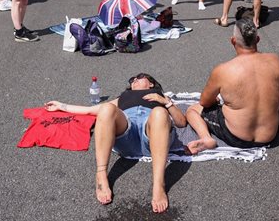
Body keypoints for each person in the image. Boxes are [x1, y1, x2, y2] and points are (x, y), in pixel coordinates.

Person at [44, 73, 186, 213]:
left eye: (140, 77)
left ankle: (158, 184)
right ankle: (101, 174)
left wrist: (166, 102)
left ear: (151, 84)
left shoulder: (160, 97)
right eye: (132, 80)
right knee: (106, 109)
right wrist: (61, 106)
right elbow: (89, 111)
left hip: (152, 137)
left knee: (160, 113)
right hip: (127, 136)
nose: (135, 80)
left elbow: (181, 122)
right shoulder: (123, 97)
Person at [186, 18, 279, 153]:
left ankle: (206, 138)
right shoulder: (276, 60)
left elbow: (204, 102)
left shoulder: (223, 70)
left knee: (193, 110)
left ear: (233, 41)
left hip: (237, 136)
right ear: (258, 39)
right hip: (269, 136)